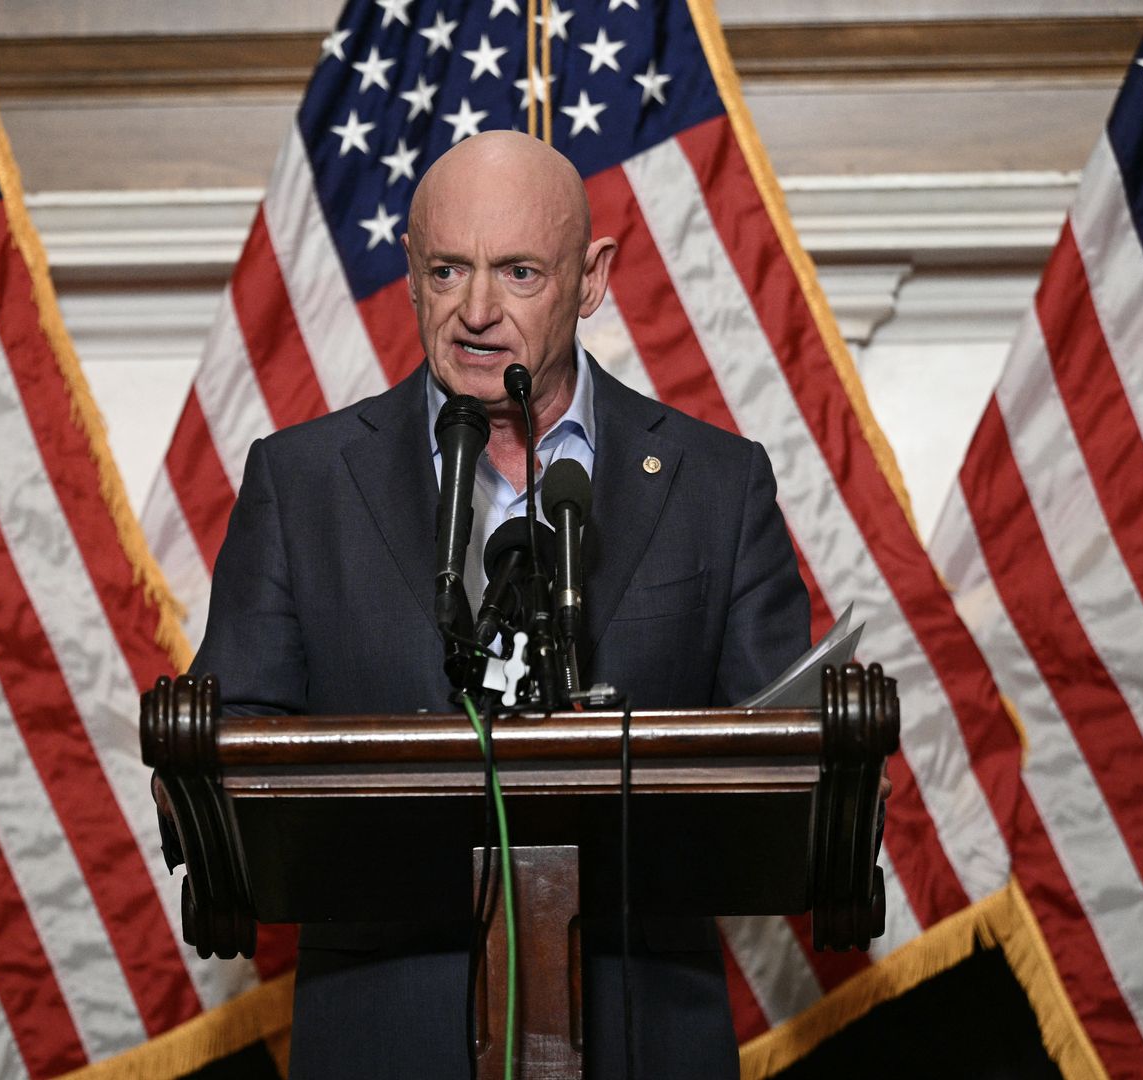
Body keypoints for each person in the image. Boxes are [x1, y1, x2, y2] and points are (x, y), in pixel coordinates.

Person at [189, 131, 811, 1078]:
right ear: (409, 274)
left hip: (643, 1030)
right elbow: (229, 761)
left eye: (519, 272)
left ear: (592, 279)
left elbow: (786, 769)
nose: (477, 310)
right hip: (385, 1033)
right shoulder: (303, 484)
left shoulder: (715, 487)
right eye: (448, 270)